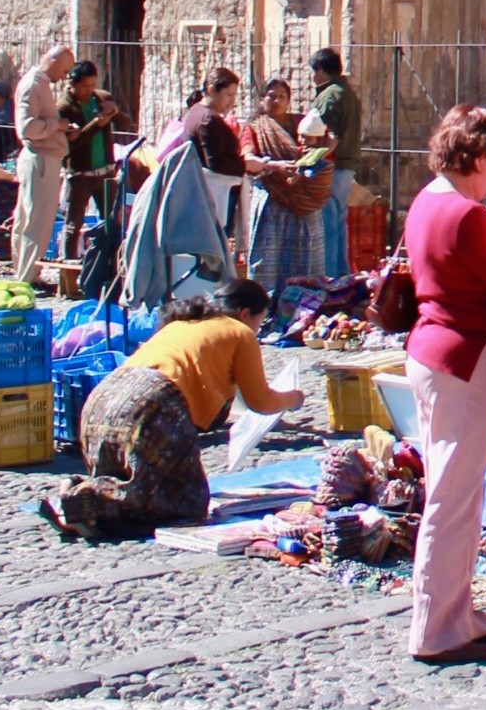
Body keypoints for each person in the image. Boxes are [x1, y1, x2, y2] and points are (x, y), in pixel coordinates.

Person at [404, 104, 486, 664]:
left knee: (454, 490)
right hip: (465, 357)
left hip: (434, 351)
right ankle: (435, 627)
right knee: (454, 496)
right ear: (476, 156)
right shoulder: (467, 215)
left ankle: (455, 612)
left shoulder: (426, 201)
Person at [46, 280, 302, 540]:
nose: (259, 328)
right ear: (246, 313)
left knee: (123, 473)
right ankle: (84, 501)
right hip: (153, 405)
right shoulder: (239, 331)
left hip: (102, 400)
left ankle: (80, 495)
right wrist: (293, 398)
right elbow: (260, 401)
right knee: (185, 502)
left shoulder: (182, 324)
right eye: (261, 320)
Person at [240, 78, 333, 301]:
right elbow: (247, 160)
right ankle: (267, 307)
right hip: (273, 202)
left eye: (282, 96)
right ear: (262, 100)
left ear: (289, 101)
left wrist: (313, 159)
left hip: (304, 204)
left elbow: (327, 142)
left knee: (306, 258)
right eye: (271, 96)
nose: (277, 100)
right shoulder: (255, 128)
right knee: (269, 258)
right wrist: (273, 166)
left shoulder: (303, 123)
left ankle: (305, 306)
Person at [10, 44, 74, 285]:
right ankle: (26, 278)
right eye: (65, 70)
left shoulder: (39, 84)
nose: (64, 77)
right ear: (54, 60)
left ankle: (26, 274)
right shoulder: (33, 85)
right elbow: (27, 127)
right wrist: (56, 126)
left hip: (42, 157)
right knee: (37, 222)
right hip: (40, 159)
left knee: (27, 220)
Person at [181, 69, 249, 249]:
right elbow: (216, 163)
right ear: (211, 90)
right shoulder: (207, 119)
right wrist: (245, 165)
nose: (231, 102)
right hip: (213, 195)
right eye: (228, 95)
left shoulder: (196, 112)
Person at [311, 48, 363, 275]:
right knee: (339, 223)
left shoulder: (330, 95)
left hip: (332, 165)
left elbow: (327, 134)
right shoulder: (348, 92)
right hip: (346, 166)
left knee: (328, 226)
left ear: (320, 70)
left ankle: (330, 276)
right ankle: (341, 274)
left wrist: (314, 160)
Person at [59, 62, 119, 256]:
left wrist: (115, 112)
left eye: (93, 85)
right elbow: (70, 146)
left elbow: (125, 122)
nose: (89, 90)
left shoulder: (101, 98)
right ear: (73, 84)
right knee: (73, 225)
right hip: (80, 175)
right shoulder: (63, 108)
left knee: (111, 223)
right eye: (85, 86)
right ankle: (68, 272)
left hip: (105, 173)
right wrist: (97, 123)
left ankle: (110, 265)